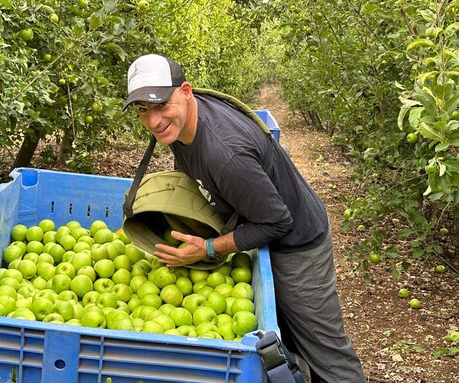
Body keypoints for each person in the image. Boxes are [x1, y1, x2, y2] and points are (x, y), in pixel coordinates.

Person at [123, 53, 365, 383]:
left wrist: (208, 248)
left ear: (186, 92)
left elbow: (278, 222)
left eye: (160, 105)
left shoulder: (225, 155)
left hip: (297, 244)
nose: (153, 121)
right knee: (292, 339)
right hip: (261, 225)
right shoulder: (181, 125)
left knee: (327, 355)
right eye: (143, 110)